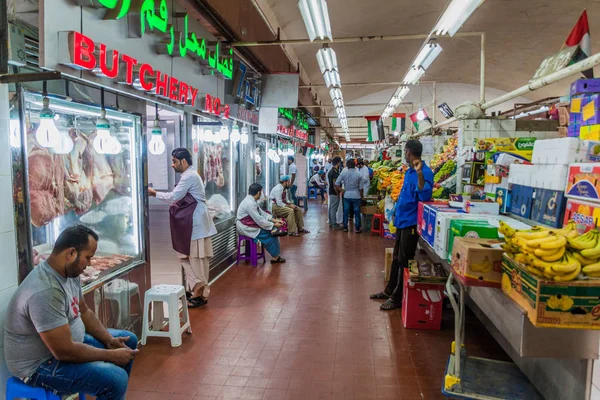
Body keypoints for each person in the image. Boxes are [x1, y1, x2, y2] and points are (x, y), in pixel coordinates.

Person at [4, 225, 139, 400]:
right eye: (88, 257)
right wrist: (111, 356)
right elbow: (64, 351)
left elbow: (84, 311)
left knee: (128, 341)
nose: (90, 263)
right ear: (71, 254)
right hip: (40, 364)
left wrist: (109, 341)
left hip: (66, 346)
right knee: (116, 379)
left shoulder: (69, 274)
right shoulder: (45, 291)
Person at [149, 148, 217, 308]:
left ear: (184, 162)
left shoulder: (190, 176)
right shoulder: (188, 176)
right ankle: (197, 288)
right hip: (192, 224)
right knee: (186, 257)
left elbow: (174, 197)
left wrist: (154, 193)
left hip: (196, 224)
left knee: (197, 260)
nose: (172, 165)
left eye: (174, 161)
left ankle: (201, 294)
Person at [370, 140, 434, 310]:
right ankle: (390, 290)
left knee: (405, 260)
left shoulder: (424, 172)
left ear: (409, 152)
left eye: (405, 152)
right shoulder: (408, 172)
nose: (404, 155)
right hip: (402, 220)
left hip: (411, 223)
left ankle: (398, 298)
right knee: (397, 257)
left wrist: (419, 173)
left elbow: (424, 194)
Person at [237, 183, 287, 263]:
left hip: (251, 224)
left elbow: (262, 213)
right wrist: (273, 225)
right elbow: (259, 220)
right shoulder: (249, 203)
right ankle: (275, 257)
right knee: (271, 233)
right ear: (258, 193)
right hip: (246, 227)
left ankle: (276, 256)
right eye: (261, 192)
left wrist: (275, 220)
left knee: (273, 230)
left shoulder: (252, 200)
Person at [335, 159, 367, 233]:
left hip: (347, 195)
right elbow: (361, 188)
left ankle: (345, 227)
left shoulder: (344, 173)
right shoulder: (358, 174)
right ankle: (357, 228)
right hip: (356, 195)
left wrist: (342, 190)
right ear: (354, 165)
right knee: (357, 212)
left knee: (346, 212)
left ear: (347, 166)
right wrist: (361, 197)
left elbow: (336, 183)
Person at [327, 157, 343, 230]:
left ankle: (331, 222)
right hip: (334, 192)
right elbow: (335, 184)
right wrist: (337, 193)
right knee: (333, 208)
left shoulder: (331, 171)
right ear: (338, 163)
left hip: (331, 192)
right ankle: (334, 224)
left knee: (331, 208)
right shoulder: (335, 172)